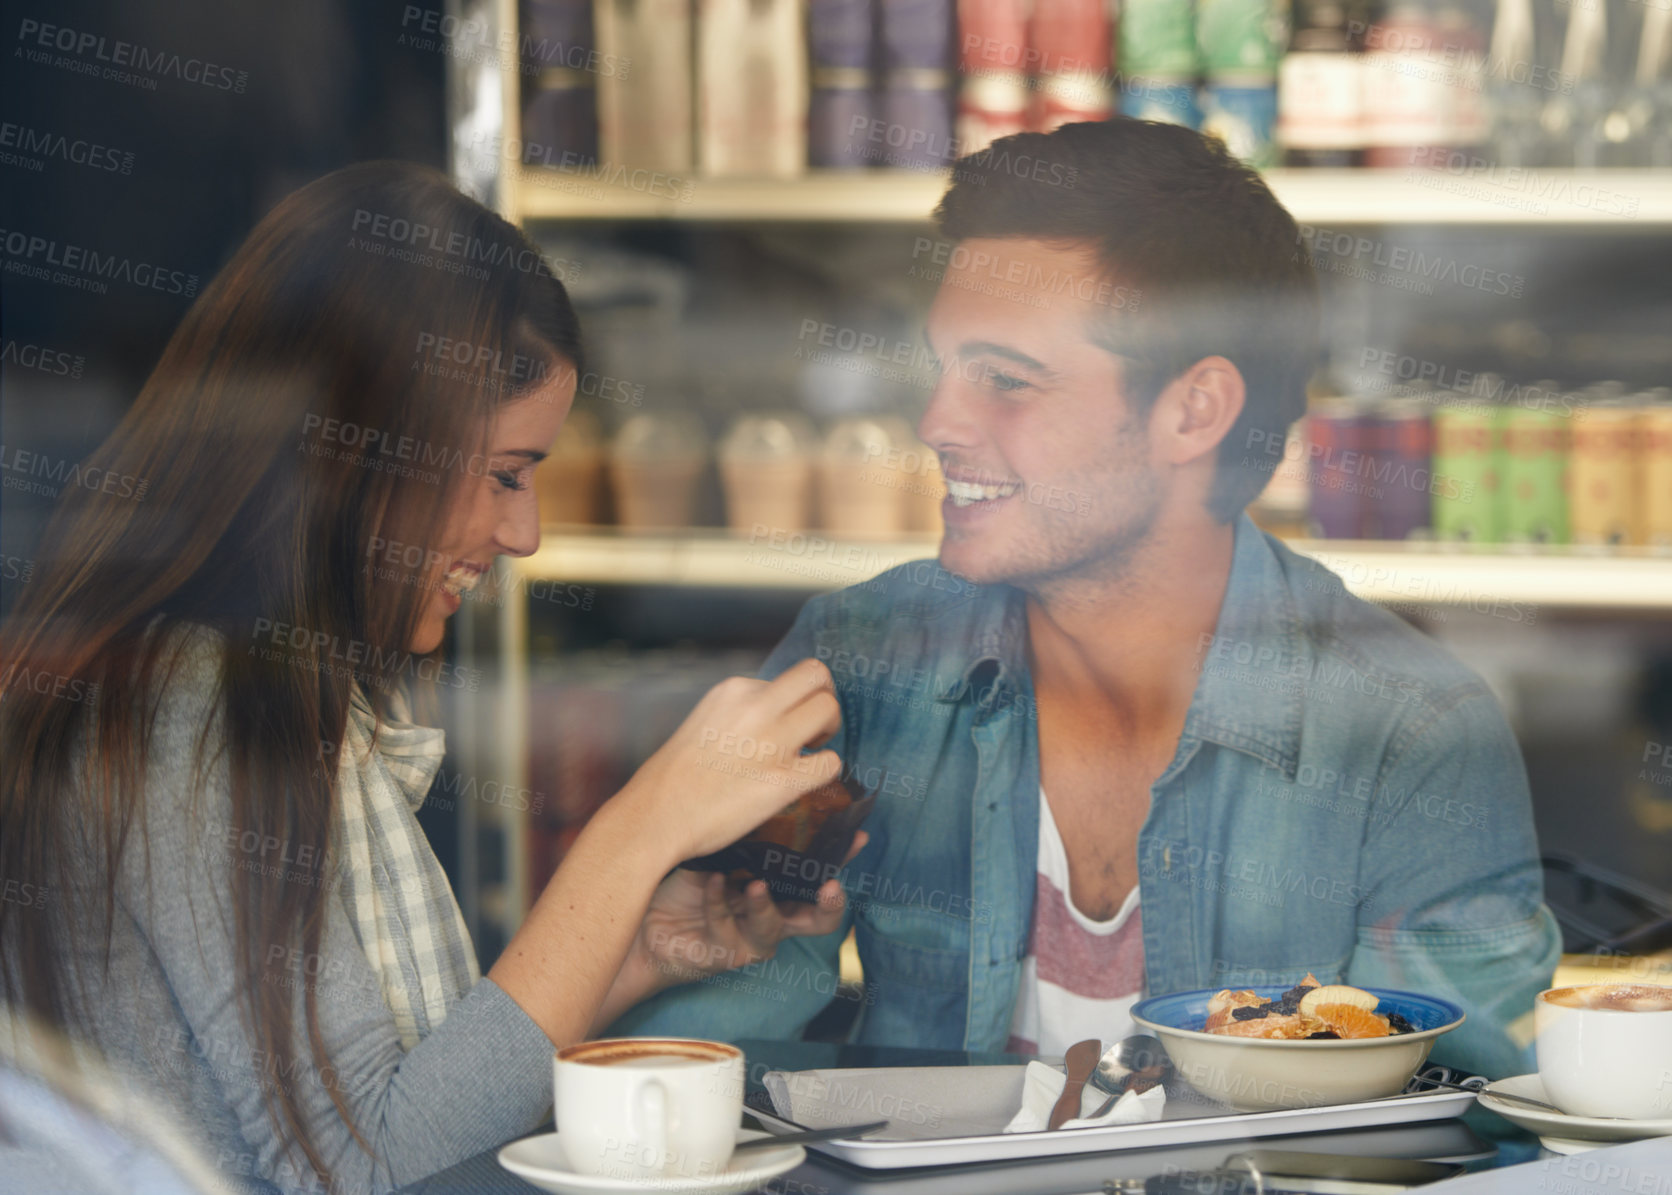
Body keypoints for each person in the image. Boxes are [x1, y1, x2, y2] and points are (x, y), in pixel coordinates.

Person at [613, 120, 1562, 1078]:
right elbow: (696, 1070)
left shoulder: (1413, 731)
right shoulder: (862, 657)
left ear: (1194, 411)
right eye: (944, 367)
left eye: (1006, 381)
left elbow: (1463, 1132)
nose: (937, 422)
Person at [0, 161, 851, 1195]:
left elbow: (410, 1097)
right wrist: (640, 827)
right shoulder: (196, 708)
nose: (525, 532)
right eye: (503, 474)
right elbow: (375, 1169)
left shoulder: (260, 696)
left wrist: (635, 954)